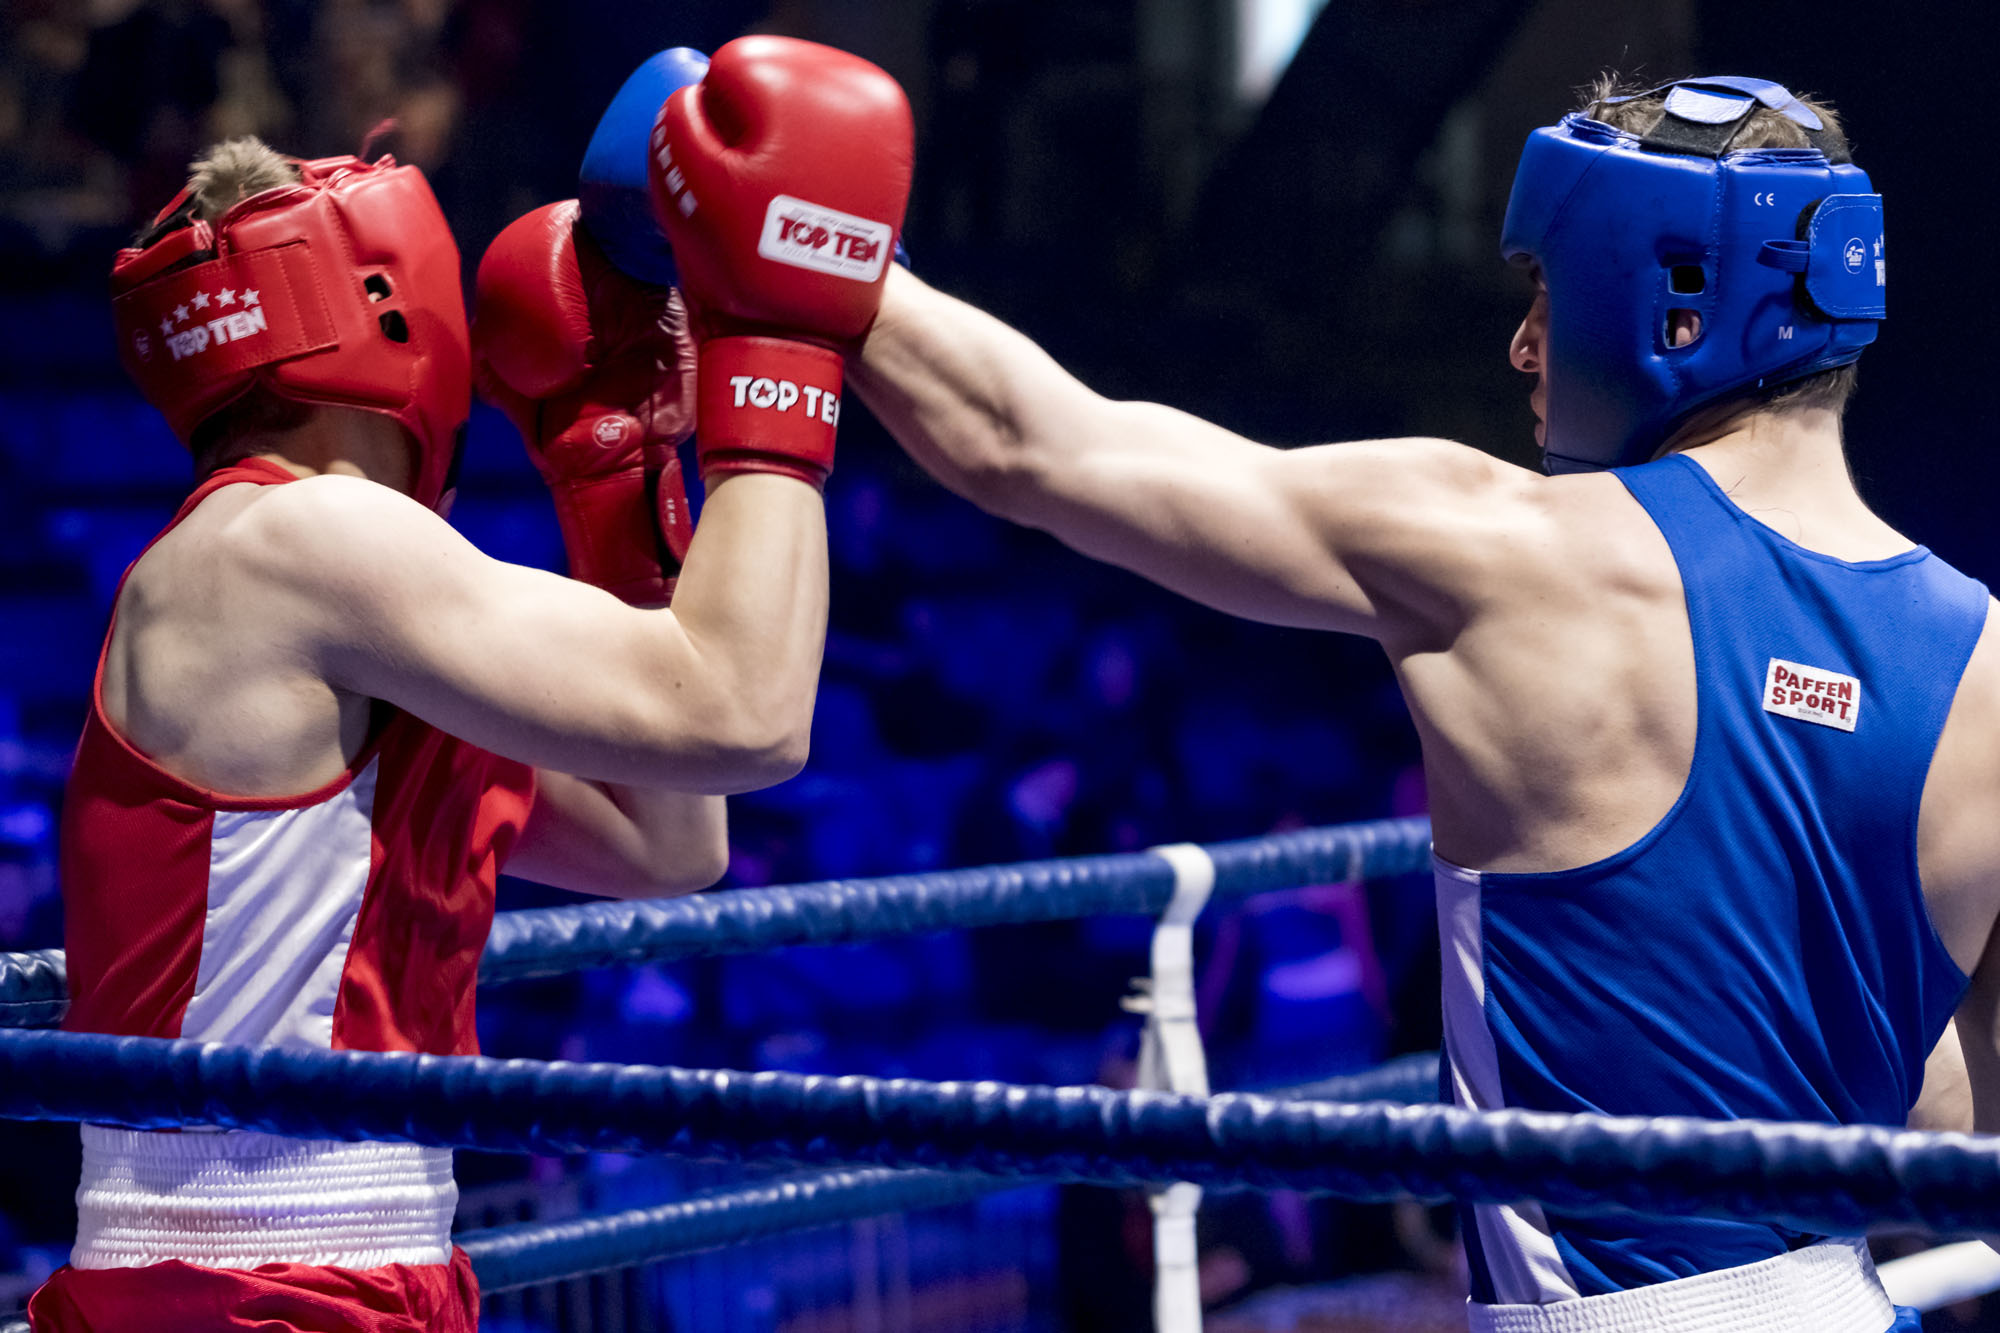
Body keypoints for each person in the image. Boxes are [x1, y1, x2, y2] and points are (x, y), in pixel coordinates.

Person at [836, 74, 1994, 1332]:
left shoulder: (1514, 551)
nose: (1523, 345)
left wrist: (811, 244)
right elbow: (1962, 1131)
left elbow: (1036, 446)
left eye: (1547, 288)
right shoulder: (1982, 658)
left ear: (1670, 302)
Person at [28, 35, 910, 1331]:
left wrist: (616, 476)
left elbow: (669, 841)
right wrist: (775, 337)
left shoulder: (328, 600)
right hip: (249, 1283)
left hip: (323, 1264)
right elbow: (746, 716)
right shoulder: (299, 544)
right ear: (393, 301)